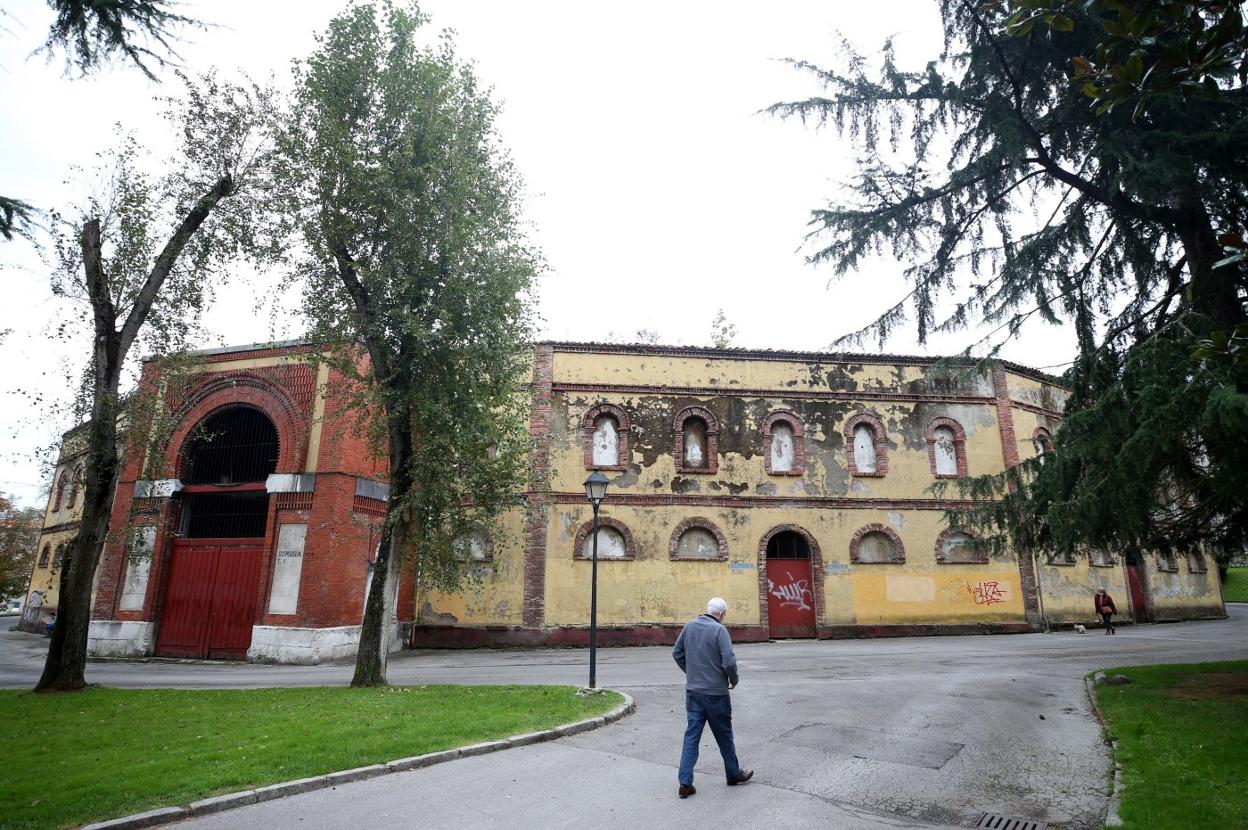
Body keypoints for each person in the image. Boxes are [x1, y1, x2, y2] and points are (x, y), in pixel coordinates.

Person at [672, 597, 752, 799]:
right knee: (724, 736)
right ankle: (733, 774)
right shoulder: (719, 630)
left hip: (693, 693)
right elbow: (729, 662)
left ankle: (685, 782)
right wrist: (733, 680)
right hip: (716, 694)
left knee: (691, 737)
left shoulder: (689, 626)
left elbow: (677, 652)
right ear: (722, 614)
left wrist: (690, 672)